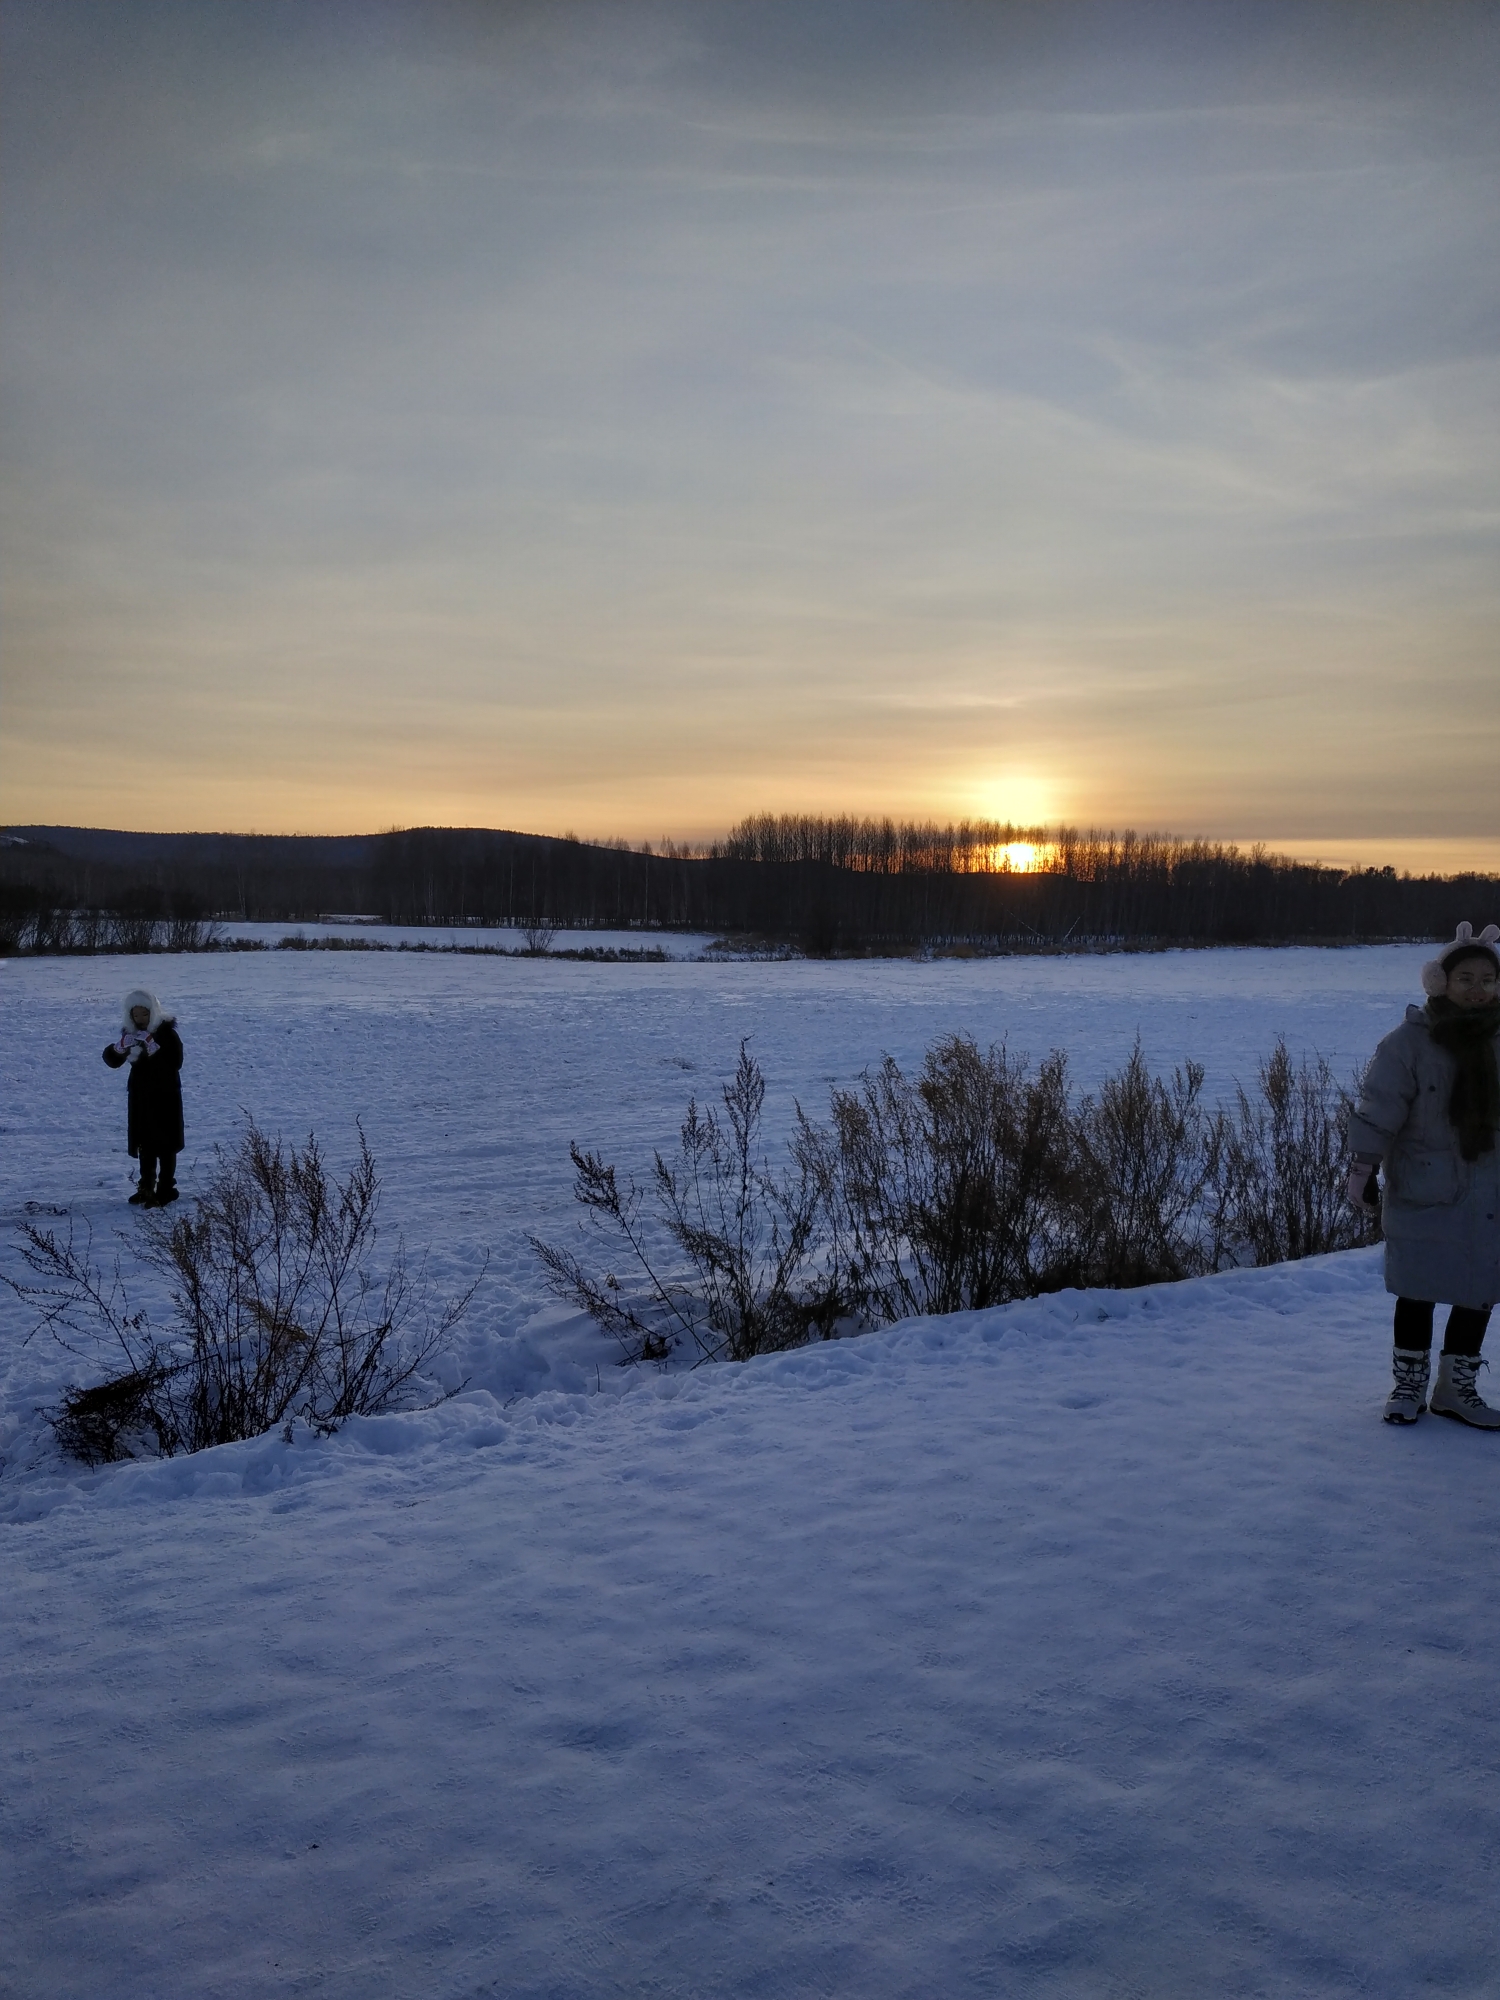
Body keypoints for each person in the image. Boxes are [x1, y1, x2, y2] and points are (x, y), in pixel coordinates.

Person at [1347, 922, 1500, 1426]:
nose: (1478, 989)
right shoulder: (1409, 1043)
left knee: (1480, 1286)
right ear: (1441, 982)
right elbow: (1378, 1109)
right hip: (1426, 1184)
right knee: (1417, 1288)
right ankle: (1408, 1384)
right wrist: (1363, 1167)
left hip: (1492, 1191)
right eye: (1466, 979)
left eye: (1487, 979)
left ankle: (1456, 1388)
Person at [102, 987, 185, 1207]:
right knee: (145, 1146)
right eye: (135, 1015)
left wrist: (153, 1047)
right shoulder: (131, 1035)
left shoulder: (167, 1033)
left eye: (144, 1014)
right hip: (140, 1099)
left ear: (153, 1012)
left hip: (166, 1099)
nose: (139, 1019)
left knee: (165, 1147)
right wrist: (117, 1049)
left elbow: (175, 1063)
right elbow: (113, 1061)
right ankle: (146, 1187)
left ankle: (166, 1189)